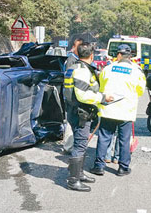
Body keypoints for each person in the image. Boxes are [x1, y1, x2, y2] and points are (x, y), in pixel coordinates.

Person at [63, 42, 113, 192]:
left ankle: (79, 173)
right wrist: (103, 97)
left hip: (75, 111)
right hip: (80, 112)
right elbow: (82, 94)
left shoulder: (74, 68)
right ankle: (73, 180)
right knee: (80, 144)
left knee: (82, 143)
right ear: (92, 55)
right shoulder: (82, 71)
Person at [90, 44, 146, 177]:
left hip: (108, 109)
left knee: (104, 138)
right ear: (130, 56)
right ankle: (123, 168)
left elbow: (102, 87)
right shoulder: (137, 71)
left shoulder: (107, 69)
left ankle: (99, 166)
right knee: (124, 139)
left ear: (118, 55)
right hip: (126, 111)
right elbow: (140, 91)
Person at [62, 38, 84, 154]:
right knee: (70, 123)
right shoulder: (71, 60)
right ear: (74, 47)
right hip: (71, 98)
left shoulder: (76, 59)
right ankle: (68, 146)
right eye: (78, 47)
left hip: (74, 97)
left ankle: (71, 145)